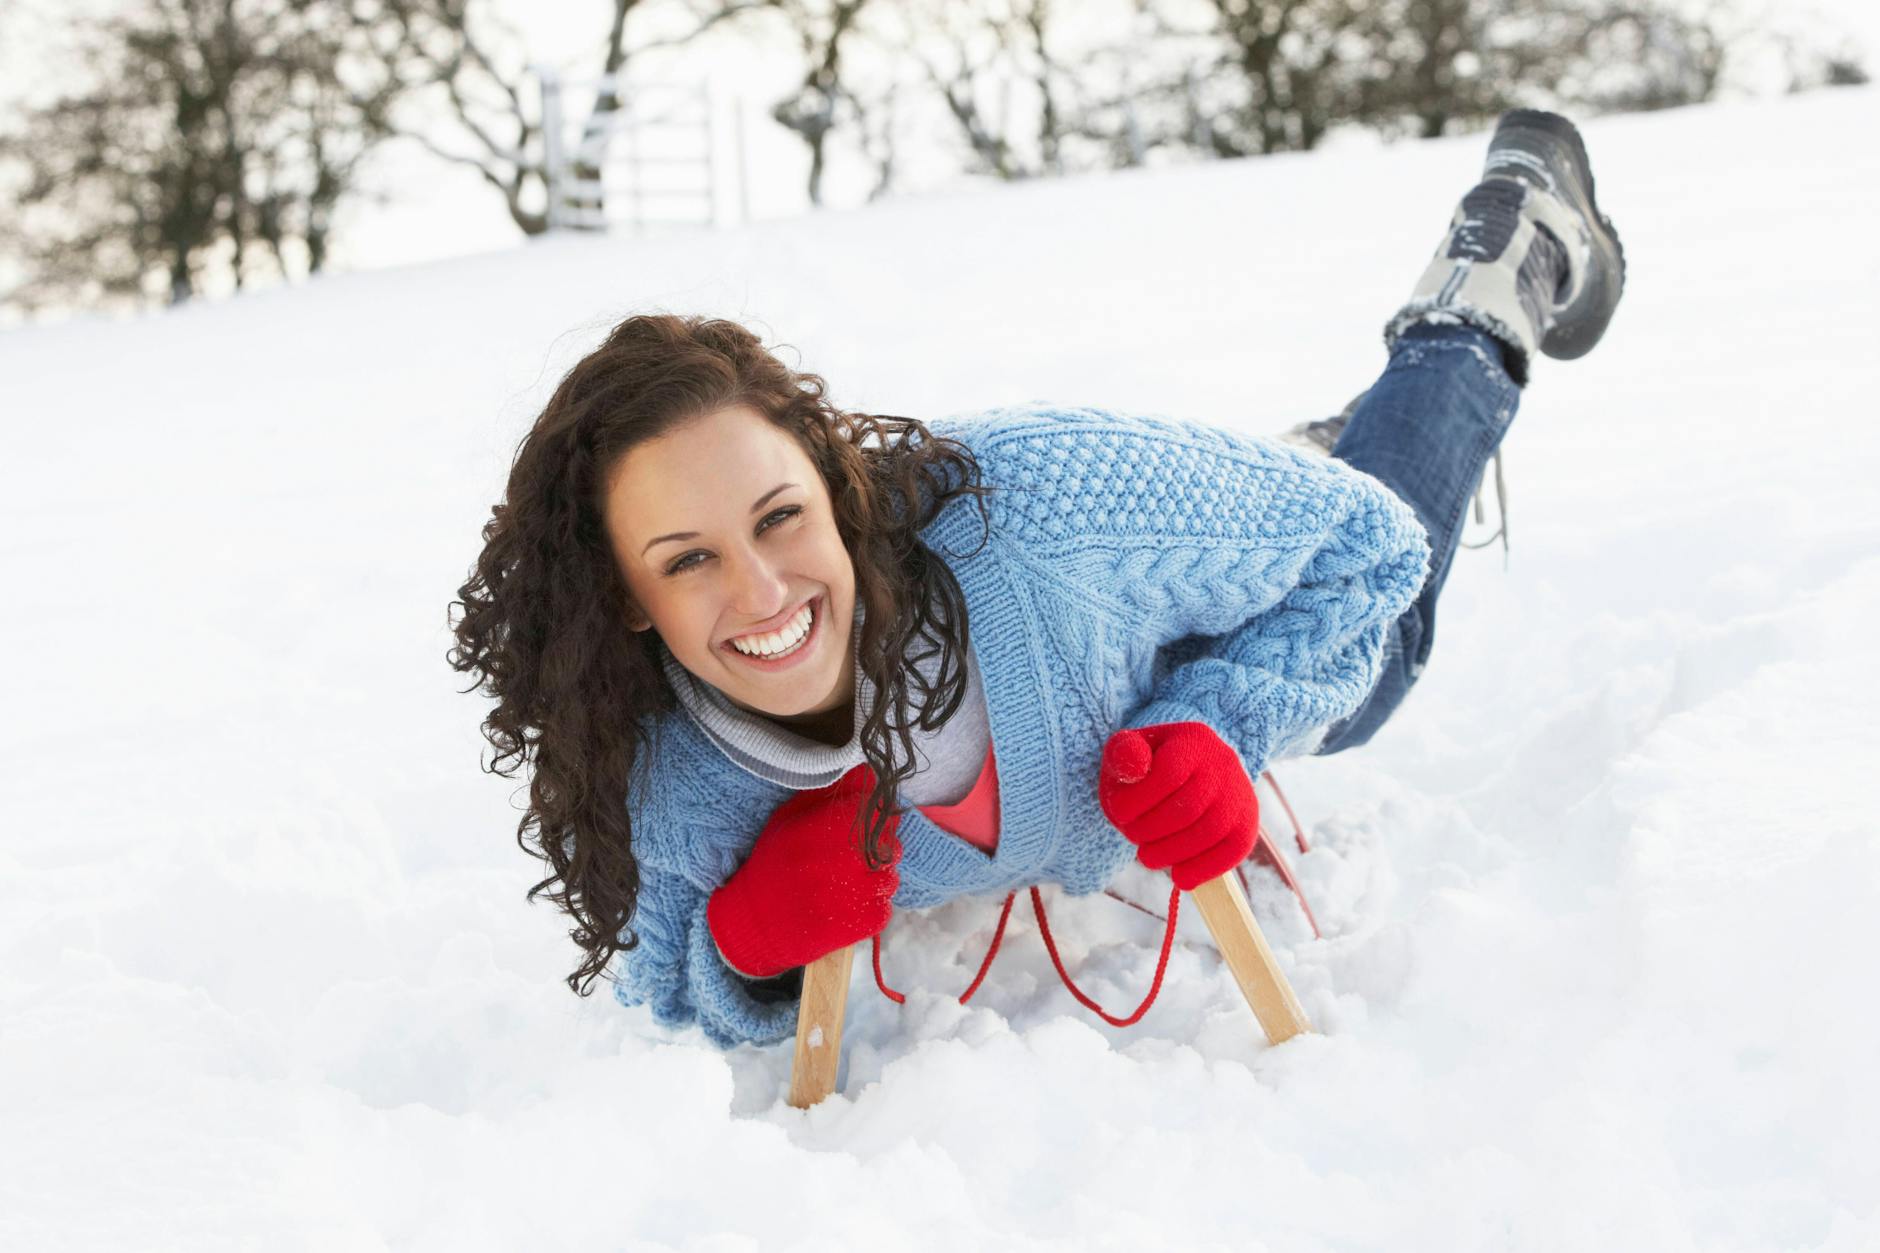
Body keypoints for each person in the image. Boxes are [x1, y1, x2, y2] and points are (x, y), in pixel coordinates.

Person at [448, 109, 1626, 1050]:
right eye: (688, 559)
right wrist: (751, 939)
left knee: (1384, 652)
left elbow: (1366, 554)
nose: (761, 593)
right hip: (1187, 540)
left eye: (779, 517)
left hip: (1195, 591)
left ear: (836, 480)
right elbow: (668, 987)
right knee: (1283, 507)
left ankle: (1494, 271)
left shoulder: (1043, 505)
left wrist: (1214, 722)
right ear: (621, 597)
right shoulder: (677, 777)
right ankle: (1281, 471)